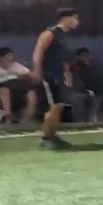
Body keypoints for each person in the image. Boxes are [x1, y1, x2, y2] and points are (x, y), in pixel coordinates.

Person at [32, 8, 79, 149]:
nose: (77, 21)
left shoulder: (63, 36)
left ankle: (52, 135)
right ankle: (46, 137)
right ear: (64, 19)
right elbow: (38, 53)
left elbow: (61, 59)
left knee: (59, 106)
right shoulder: (49, 33)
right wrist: (37, 72)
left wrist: (67, 74)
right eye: (75, 18)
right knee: (53, 107)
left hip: (58, 76)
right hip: (49, 76)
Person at [0, 47, 34, 123]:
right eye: (8, 56)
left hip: (19, 91)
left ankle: (27, 119)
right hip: (5, 94)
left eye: (11, 56)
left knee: (31, 93)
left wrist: (24, 77)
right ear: (1, 58)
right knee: (4, 88)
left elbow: (30, 74)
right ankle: (7, 114)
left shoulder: (17, 66)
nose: (11, 58)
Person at [71, 48, 103, 123]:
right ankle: (81, 124)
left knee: (93, 110)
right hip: (80, 93)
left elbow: (95, 80)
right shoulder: (74, 67)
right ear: (78, 56)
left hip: (93, 93)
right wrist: (85, 90)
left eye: (87, 56)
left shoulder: (91, 67)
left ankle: (92, 122)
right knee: (79, 110)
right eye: (83, 56)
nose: (86, 58)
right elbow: (76, 82)